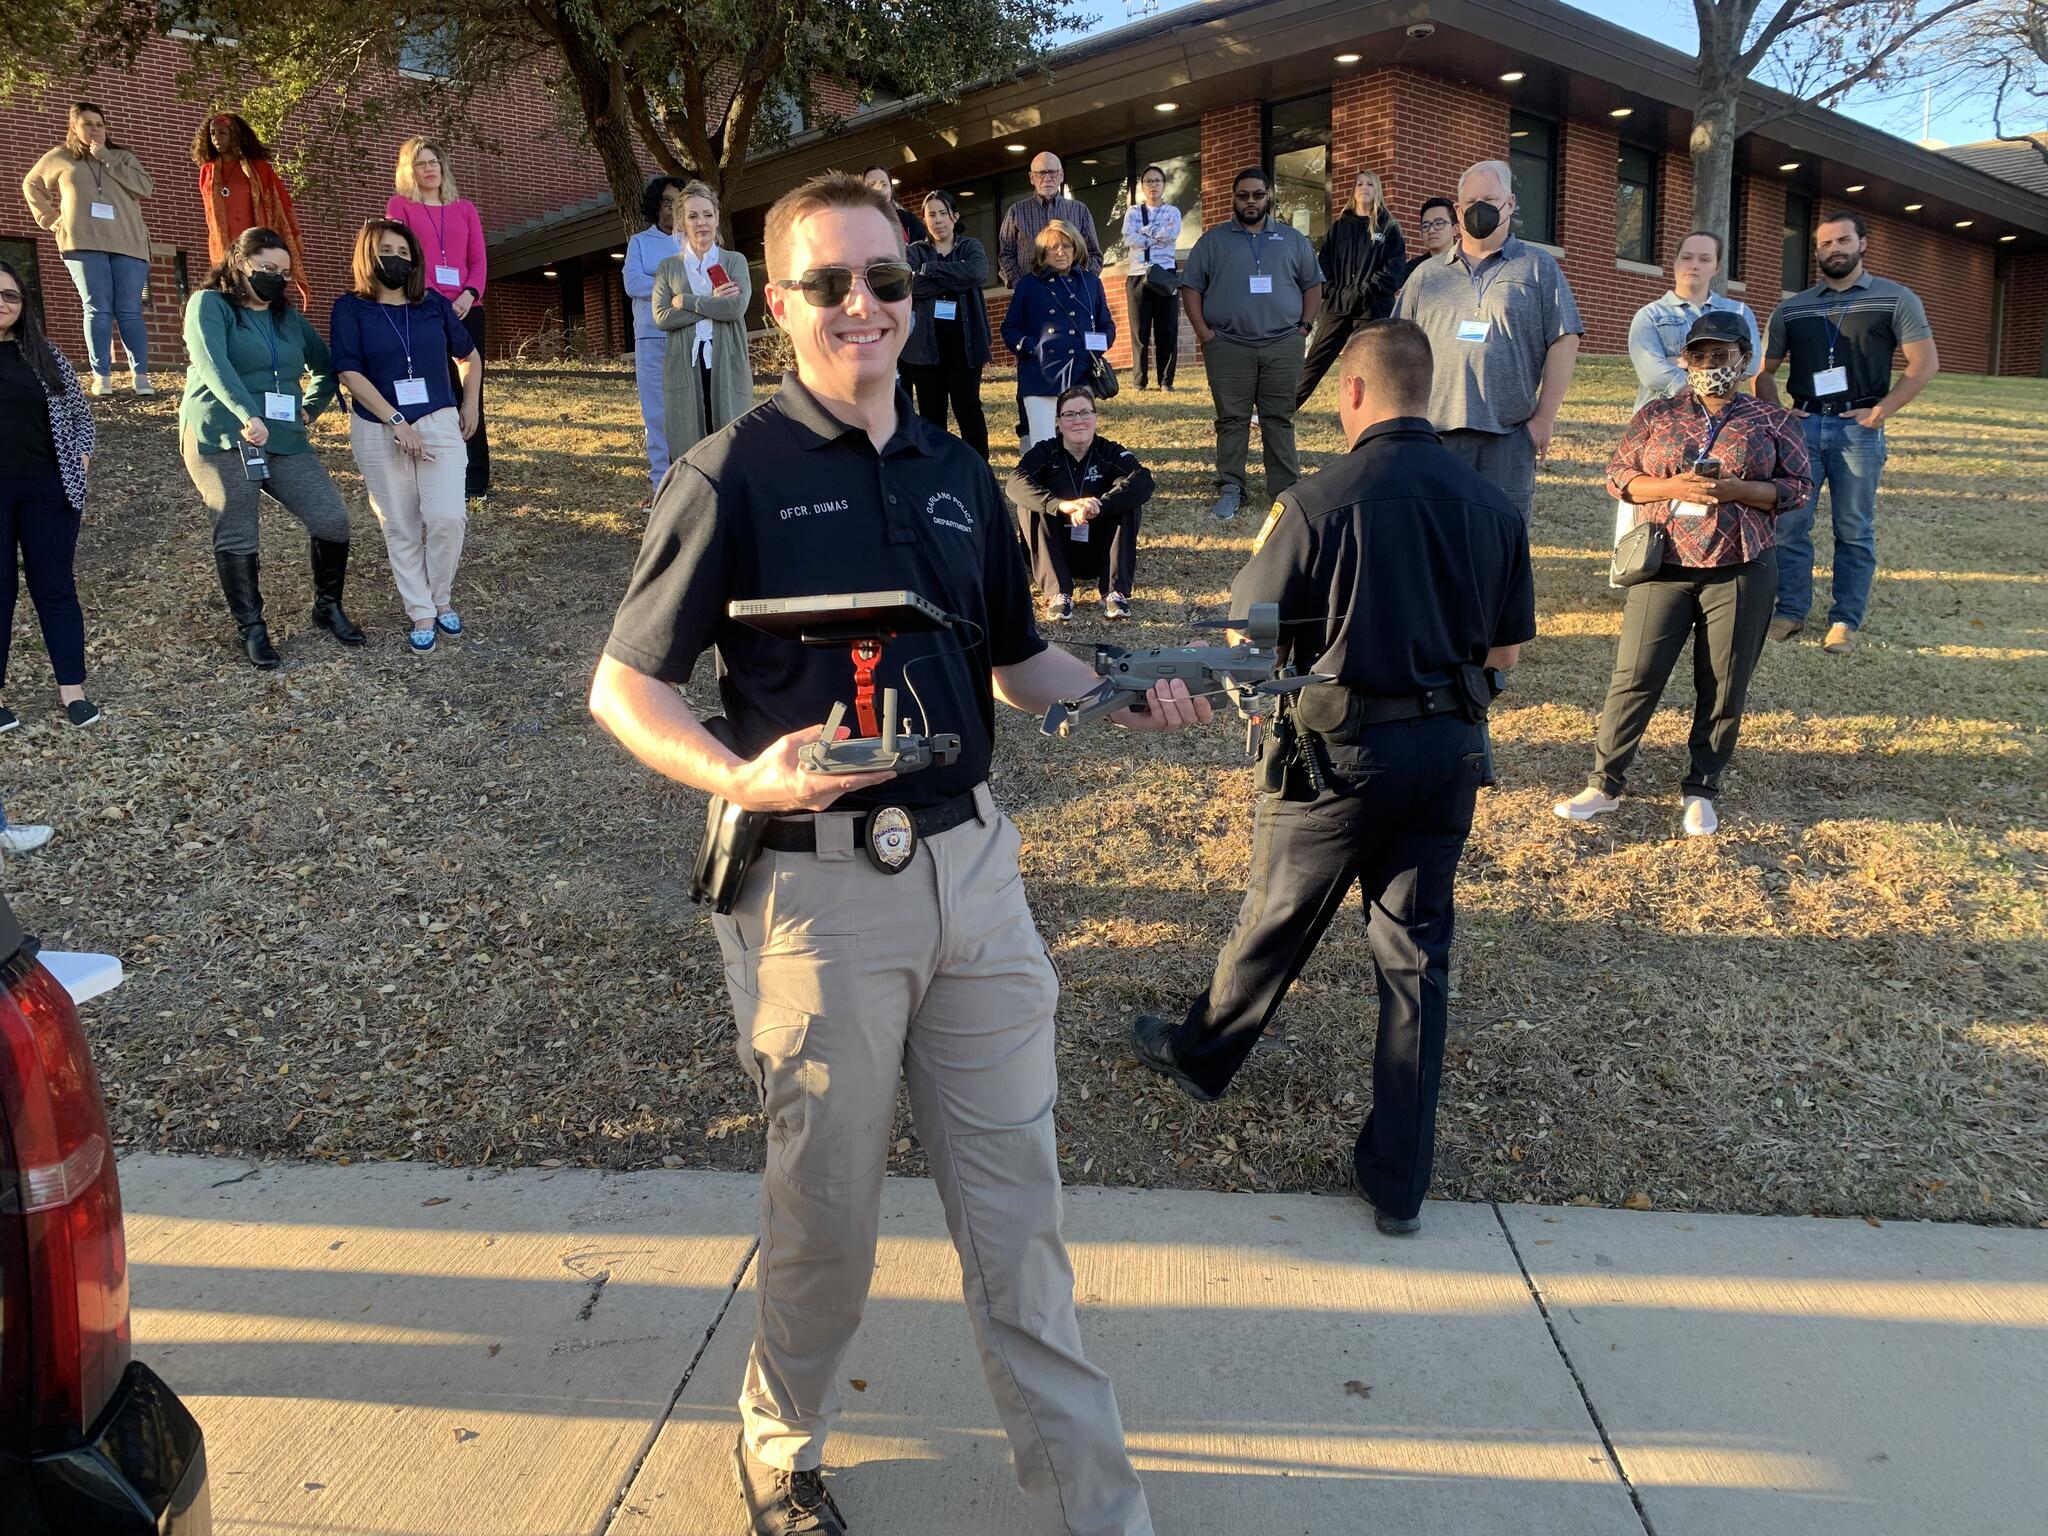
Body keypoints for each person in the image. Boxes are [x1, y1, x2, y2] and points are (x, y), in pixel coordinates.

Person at [589, 168, 1207, 1536]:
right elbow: (625, 688)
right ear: (779, 302)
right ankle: (779, 1443)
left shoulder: (951, 473)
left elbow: (1012, 661)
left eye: (886, 280)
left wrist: (1122, 684)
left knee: (1019, 1223)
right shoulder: (731, 471)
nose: (863, 305)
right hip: (817, 893)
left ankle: (1102, 1511)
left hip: (975, 877)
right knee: (830, 1220)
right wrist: (736, 772)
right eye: (830, 282)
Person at [1129, 319, 1534, 1238]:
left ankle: (1201, 1055)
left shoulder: (1316, 502)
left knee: (1276, 919)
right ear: (1423, 391)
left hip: (1339, 758)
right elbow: (1504, 650)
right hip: (1449, 756)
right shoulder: (1492, 506)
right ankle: (1399, 1184)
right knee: (1415, 961)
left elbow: (1248, 637)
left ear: (1352, 392)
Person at [1557, 312, 1812, 838]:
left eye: (1722, 355)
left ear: (1744, 358)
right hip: (1663, 565)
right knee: (1634, 676)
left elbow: (1798, 489)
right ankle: (1604, 784)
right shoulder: (1657, 413)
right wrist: (1672, 487)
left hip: (1741, 567)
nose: (1711, 365)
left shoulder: (1775, 420)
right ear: (1685, 361)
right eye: (1700, 355)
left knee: (1722, 684)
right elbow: (1619, 477)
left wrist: (1738, 490)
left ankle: (1701, 788)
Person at [1755, 211, 1938, 654]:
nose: (1833, 249)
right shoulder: (1792, 307)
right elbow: (1764, 371)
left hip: (1858, 430)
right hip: (1802, 428)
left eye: (1842, 241)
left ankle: (1844, 621)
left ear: (1862, 244)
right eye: (1824, 244)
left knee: (1853, 529)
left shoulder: (1895, 299)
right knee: (1788, 527)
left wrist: (1882, 411)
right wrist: (1779, 414)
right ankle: (1790, 611)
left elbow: (1924, 364)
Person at [180, 226, 361, 669]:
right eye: (266, 269)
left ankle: (327, 607)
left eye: (283, 271)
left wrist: (311, 409)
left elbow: (326, 366)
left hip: (281, 436)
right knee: (239, 527)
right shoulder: (210, 305)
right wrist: (248, 414)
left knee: (332, 519)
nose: (276, 278)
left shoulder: (288, 319)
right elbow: (212, 364)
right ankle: (252, 628)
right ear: (238, 263)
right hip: (222, 432)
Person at [1392, 159, 1581, 527]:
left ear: (1509, 204)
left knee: (1499, 546)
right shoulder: (1426, 276)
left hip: (1507, 436)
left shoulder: (1538, 267)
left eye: (1490, 198)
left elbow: (1564, 339)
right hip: (1432, 435)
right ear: (1458, 211)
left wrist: (1543, 419)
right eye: (1471, 201)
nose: (1481, 208)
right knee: (1431, 543)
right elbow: (1398, 347)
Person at [330, 219, 481, 653]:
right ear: (367, 256)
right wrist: (396, 421)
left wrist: (469, 404)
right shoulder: (350, 308)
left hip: (438, 419)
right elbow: (349, 371)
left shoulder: (431, 303)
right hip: (378, 426)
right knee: (399, 523)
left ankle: (442, 596)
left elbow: (469, 355)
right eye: (385, 251)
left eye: (402, 252)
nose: (395, 259)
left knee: (448, 516)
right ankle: (421, 609)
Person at [1179, 165, 1324, 522]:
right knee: (1231, 419)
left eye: (1258, 195)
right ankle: (1231, 487)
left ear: (1269, 196)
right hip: (1227, 344)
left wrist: (1303, 328)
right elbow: (1191, 287)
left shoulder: (1293, 240)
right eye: (1243, 195)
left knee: (1279, 418)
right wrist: (1205, 334)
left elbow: (1313, 285)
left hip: (1283, 345)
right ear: (1234, 198)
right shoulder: (1212, 241)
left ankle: (1285, 490)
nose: (1250, 201)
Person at [0, 259, 99, 730]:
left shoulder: (45, 356)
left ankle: (72, 690)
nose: (2, 303)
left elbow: (82, 417)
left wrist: (80, 455)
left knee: (55, 589)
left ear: (23, 306)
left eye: (10, 295)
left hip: (49, 491)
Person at [21, 102, 155, 397]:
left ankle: (141, 376)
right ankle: (101, 376)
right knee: (97, 308)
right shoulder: (60, 157)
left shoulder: (122, 156)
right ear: (74, 127)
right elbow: (31, 184)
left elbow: (144, 189)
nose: (95, 129)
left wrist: (106, 158)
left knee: (130, 310)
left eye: (99, 124)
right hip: (83, 242)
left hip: (129, 243)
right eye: (87, 124)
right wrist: (50, 219)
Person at [386, 138, 491, 499]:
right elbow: (404, 258)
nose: (429, 169)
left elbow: (478, 261)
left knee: (470, 392)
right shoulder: (400, 206)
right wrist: (435, 298)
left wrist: (468, 294)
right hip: (424, 307)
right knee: (437, 389)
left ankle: (476, 477)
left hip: (467, 308)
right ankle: (440, 468)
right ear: (408, 171)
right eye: (420, 164)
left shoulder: (465, 209)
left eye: (434, 162)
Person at [1007, 386, 1153, 622]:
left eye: (1085, 412)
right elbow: (1014, 483)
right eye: (1069, 414)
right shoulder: (1045, 451)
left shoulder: (1109, 451)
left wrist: (1102, 505)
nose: (1078, 421)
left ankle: (1114, 591)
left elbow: (1144, 480)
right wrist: (1059, 505)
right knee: (1030, 503)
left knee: (1126, 495)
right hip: (1055, 550)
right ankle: (1059, 593)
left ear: (1095, 417)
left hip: (1099, 551)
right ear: (1059, 421)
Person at [999, 152, 1104, 442]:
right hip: (1033, 304)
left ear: (1061, 175)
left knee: (1076, 420)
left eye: (1053, 172)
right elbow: (1005, 254)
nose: (1048, 178)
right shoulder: (1017, 212)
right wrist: (1027, 286)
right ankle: (1029, 441)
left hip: (1074, 313)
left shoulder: (1079, 210)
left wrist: (1083, 283)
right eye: (1041, 173)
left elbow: (1094, 253)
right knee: (1034, 389)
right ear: (1031, 177)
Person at [651, 180, 752, 466]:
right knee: (689, 442)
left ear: (717, 218)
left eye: (707, 214)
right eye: (693, 216)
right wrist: (711, 301)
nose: (701, 223)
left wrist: (688, 300)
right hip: (686, 364)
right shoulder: (668, 268)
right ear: (682, 221)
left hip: (726, 361)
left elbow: (734, 308)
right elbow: (662, 317)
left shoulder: (734, 262)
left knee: (732, 440)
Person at [1296, 168, 1406, 406]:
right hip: (1338, 306)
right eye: (1359, 184)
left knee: (1371, 366)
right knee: (1314, 361)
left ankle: (1372, 416)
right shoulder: (1339, 227)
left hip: (1372, 310)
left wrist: (1364, 291)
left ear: (1377, 191)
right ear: (1353, 192)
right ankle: (1280, 410)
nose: (1364, 188)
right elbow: (1322, 266)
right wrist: (1334, 291)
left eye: (1370, 184)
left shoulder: (1388, 228)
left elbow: (1394, 270)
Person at [1001, 219, 1114, 448]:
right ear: (1043, 252)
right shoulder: (1028, 285)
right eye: (1053, 247)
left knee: (1080, 444)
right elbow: (1010, 328)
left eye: (1067, 245)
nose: (1060, 252)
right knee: (1043, 445)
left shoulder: (1091, 283)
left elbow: (1107, 326)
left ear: (1076, 248)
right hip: (1039, 375)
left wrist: (1091, 351)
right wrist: (1033, 348)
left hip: (1080, 374)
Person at [901, 189, 991, 458]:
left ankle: (979, 469)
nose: (938, 219)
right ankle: (937, 470)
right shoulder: (914, 252)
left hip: (965, 348)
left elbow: (976, 272)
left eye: (942, 213)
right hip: (925, 352)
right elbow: (909, 286)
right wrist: (954, 277)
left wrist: (932, 270)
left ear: (954, 216)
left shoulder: (970, 247)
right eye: (931, 215)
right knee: (931, 415)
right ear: (925, 220)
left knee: (969, 411)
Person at [193, 112, 309, 305]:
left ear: (235, 135)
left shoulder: (258, 168)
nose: (216, 138)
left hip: (255, 240)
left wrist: (295, 235)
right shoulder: (208, 171)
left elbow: (282, 203)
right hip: (223, 244)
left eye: (222, 133)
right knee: (230, 289)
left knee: (257, 288)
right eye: (212, 134)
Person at [623, 177, 686, 492]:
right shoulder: (639, 242)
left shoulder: (693, 242)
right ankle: (661, 483)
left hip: (688, 335)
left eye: (678, 201)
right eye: (665, 201)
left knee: (689, 407)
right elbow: (633, 284)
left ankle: (692, 476)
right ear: (654, 205)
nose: (672, 208)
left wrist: (659, 283)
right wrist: (676, 288)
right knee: (656, 412)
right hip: (651, 337)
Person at [1120, 163, 1182, 390]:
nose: (1153, 185)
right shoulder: (1133, 212)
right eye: (1148, 181)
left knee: (1167, 329)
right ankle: (1140, 382)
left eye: (1157, 181)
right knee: (1140, 331)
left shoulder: (1172, 211)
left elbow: (1171, 234)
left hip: (1164, 273)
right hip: (1138, 274)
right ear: (1142, 187)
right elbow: (1129, 239)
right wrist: (1156, 234)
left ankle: (1166, 382)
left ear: (1164, 185)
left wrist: (1144, 232)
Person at [861, 165, 927, 246]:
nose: (878, 189)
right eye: (872, 185)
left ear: (891, 190)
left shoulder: (909, 220)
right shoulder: (857, 226)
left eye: (883, 184)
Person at [1403, 196, 1456, 281]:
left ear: (1455, 229)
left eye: (1438, 224)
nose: (1431, 230)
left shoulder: (1468, 264)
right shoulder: (1413, 269)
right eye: (1425, 226)